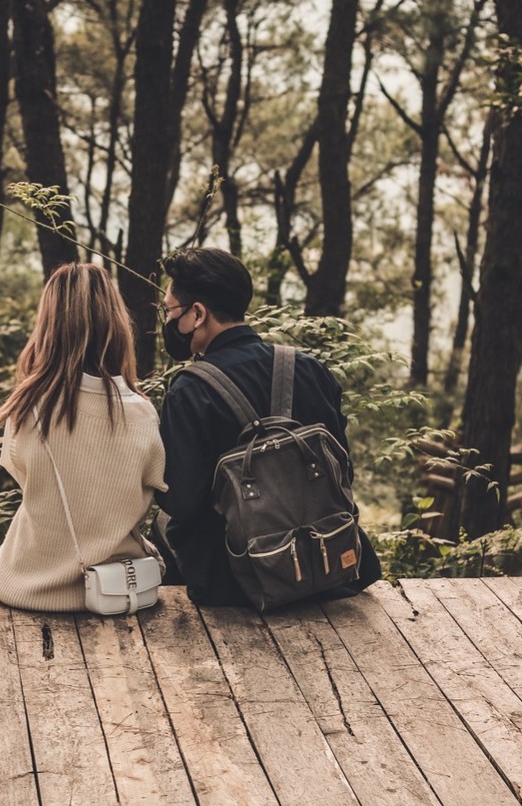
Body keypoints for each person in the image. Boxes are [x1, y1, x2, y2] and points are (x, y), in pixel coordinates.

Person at [156, 247, 381, 607]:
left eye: (170, 311)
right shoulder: (309, 369)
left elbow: (182, 501)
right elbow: (343, 472)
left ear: (197, 313)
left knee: (165, 521)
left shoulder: (191, 389)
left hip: (236, 583)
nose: (168, 321)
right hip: (330, 566)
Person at [0, 263, 166, 612]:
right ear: (115, 324)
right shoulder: (142, 413)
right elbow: (152, 487)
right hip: (119, 588)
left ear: (48, 325)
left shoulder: (28, 408)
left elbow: (27, 481)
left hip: (25, 587)